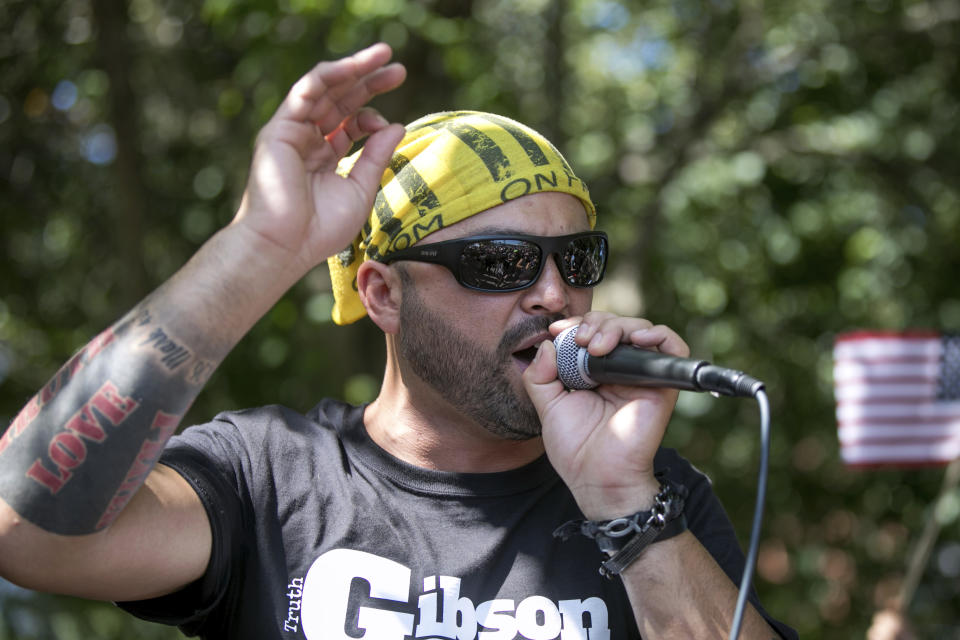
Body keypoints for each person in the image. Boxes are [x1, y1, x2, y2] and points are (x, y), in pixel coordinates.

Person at [0, 43, 796, 639]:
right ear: (382, 294)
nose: (554, 294)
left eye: (575, 259)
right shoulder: (270, 474)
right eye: (498, 263)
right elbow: (24, 533)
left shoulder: (658, 496)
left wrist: (624, 503)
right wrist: (259, 250)